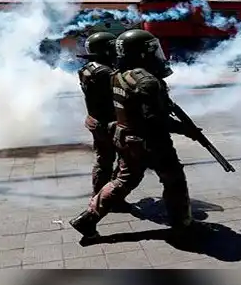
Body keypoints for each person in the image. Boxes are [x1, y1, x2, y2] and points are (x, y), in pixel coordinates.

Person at [69, 29, 203, 242]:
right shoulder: (146, 81)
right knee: (174, 180)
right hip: (151, 141)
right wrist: (186, 130)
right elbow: (156, 120)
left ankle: (88, 218)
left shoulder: (117, 75)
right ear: (141, 53)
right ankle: (183, 224)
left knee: (123, 180)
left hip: (125, 136)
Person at [75, 32, 132, 212]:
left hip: (95, 119)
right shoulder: (106, 72)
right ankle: (107, 198)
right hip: (109, 122)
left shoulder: (88, 68)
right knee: (120, 161)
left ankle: (99, 195)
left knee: (103, 160)